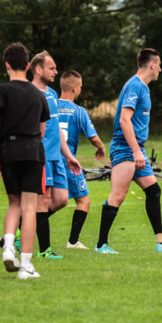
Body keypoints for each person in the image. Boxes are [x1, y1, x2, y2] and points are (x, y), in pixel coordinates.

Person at [95, 48, 162, 254]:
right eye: (159, 64)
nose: (161, 69)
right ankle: (101, 245)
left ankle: (161, 242)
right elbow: (124, 120)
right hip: (127, 148)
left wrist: (138, 150)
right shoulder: (134, 86)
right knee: (117, 196)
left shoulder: (143, 88)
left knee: (154, 190)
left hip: (135, 148)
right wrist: (135, 152)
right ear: (152, 64)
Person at [0, 43, 48, 279]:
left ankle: (8, 246)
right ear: (29, 66)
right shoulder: (39, 95)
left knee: (13, 203)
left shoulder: (2, 89)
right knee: (29, 208)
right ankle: (26, 266)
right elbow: (42, 130)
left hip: (8, 150)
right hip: (32, 150)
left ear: (7, 65)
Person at [30, 52, 82, 259]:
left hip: (56, 156)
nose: (56, 72)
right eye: (51, 68)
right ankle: (45, 250)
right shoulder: (30, 93)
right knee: (43, 200)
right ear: (39, 69)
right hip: (41, 155)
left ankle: (22, 227)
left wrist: (68, 155)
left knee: (61, 199)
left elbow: (56, 128)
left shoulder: (51, 93)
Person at [58, 70, 106, 249]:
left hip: (49, 160)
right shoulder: (78, 111)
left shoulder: (50, 105)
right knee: (83, 200)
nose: (80, 91)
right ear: (74, 88)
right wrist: (101, 147)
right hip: (68, 163)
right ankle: (72, 242)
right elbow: (92, 137)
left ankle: (19, 231)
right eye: (80, 87)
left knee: (46, 201)